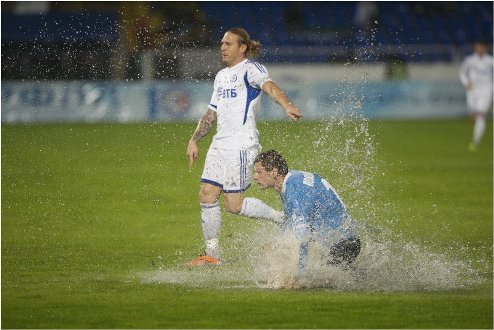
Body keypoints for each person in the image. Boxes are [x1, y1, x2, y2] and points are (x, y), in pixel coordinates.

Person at [186, 28, 302, 265]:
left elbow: (269, 86)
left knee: (234, 205)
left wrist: (286, 105)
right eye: (221, 43)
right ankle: (212, 256)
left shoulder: (251, 69)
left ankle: (281, 218)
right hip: (219, 145)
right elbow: (211, 113)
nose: (223, 48)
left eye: (228, 44)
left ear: (243, 47)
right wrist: (194, 139)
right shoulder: (220, 76)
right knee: (206, 194)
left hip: (241, 146)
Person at [253, 150, 360, 275]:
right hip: (344, 239)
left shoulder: (296, 191)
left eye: (259, 172)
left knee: (318, 277)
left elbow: (302, 236)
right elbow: (292, 222)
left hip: (342, 245)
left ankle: (361, 277)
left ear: (274, 172)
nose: (255, 176)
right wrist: (279, 244)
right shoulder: (291, 179)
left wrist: (301, 275)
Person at [459, 39, 493, 151]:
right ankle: (477, 136)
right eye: (478, 47)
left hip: (486, 90)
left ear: (485, 48)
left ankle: (475, 141)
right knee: (472, 116)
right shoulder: (469, 60)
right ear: (475, 47)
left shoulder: (490, 61)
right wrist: (466, 82)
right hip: (472, 90)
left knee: (480, 115)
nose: (480, 49)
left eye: (482, 47)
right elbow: (462, 72)